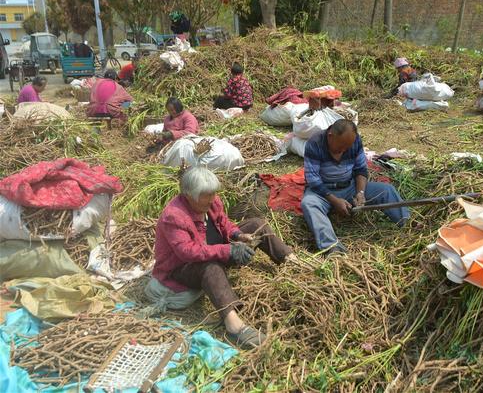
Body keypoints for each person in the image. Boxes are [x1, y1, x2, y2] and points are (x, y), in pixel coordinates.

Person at [148, 166, 295, 348]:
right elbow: (188, 252)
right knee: (211, 267)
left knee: (258, 225)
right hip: (182, 268)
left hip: (212, 249)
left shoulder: (212, 202)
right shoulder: (174, 217)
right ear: (188, 196)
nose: (212, 199)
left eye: (213, 194)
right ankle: (234, 324)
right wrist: (228, 251)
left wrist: (238, 236)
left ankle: (291, 261)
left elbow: (223, 223)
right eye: (206, 195)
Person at [301, 119, 409, 256]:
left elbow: (361, 170)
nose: (344, 150)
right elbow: (313, 180)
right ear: (330, 136)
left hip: (349, 187)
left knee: (386, 190)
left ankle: (406, 223)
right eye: (340, 147)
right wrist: (335, 201)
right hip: (323, 192)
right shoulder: (315, 143)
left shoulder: (355, 141)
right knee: (309, 204)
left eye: (347, 147)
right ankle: (332, 247)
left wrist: (361, 192)